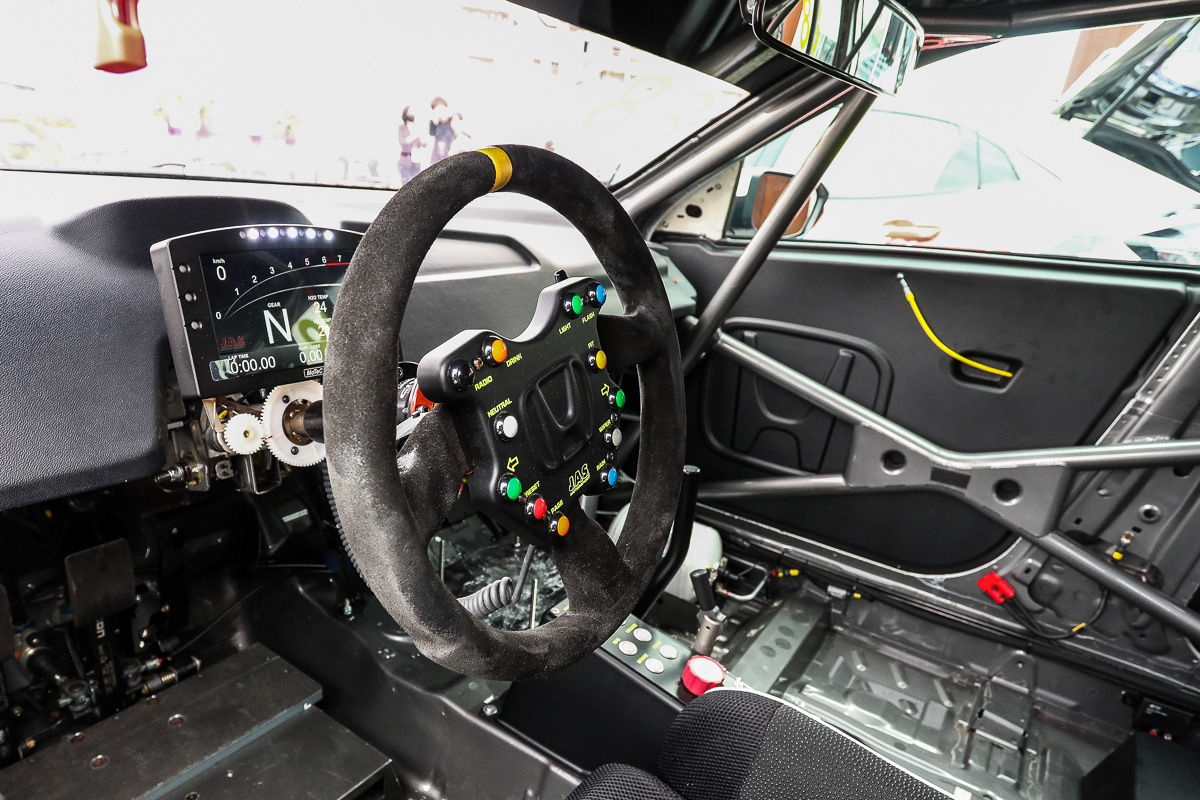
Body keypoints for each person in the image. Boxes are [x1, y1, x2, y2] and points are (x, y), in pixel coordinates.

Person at [397, 106, 424, 183]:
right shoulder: (402, 128)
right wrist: (414, 135)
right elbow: (402, 142)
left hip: (416, 162)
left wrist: (420, 134)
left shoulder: (417, 127)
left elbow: (423, 144)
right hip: (405, 160)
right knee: (405, 183)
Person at [428, 97, 456, 164]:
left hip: (451, 155)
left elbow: (454, 135)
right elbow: (432, 133)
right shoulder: (434, 123)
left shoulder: (452, 121)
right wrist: (435, 123)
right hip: (437, 156)